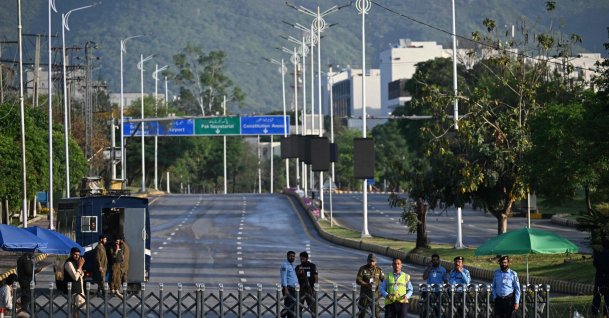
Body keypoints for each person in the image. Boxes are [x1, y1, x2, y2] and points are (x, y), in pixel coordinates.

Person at [356, 253, 385, 318]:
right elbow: (358, 280)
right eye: (370, 261)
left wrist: (388, 286)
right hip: (364, 295)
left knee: (376, 314)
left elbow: (384, 280)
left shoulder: (378, 270)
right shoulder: (363, 269)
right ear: (367, 260)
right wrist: (366, 284)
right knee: (362, 313)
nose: (371, 263)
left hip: (375, 295)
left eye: (373, 261)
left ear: (376, 261)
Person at [64, 247, 85, 318]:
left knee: (77, 310)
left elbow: (81, 275)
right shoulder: (68, 263)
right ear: (71, 254)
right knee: (74, 309)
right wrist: (80, 266)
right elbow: (75, 277)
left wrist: (80, 267)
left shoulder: (76, 262)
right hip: (73, 289)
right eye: (75, 254)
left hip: (79, 288)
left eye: (78, 255)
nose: (77, 256)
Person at [592, 239, 609, 318]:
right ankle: (606, 314)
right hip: (608, 280)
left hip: (599, 279)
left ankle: (594, 313)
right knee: (608, 299)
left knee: (597, 297)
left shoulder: (598, 255)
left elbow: (595, 264)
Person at [280, 251, 298, 318]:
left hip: (293, 289)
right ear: (287, 256)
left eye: (293, 256)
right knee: (289, 306)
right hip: (288, 289)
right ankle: (281, 316)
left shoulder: (291, 265)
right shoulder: (285, 265)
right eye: (290, 256)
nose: (292, 257)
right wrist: (286, 289)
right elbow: (283, 277)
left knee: (290, 306)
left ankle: (281, 316)